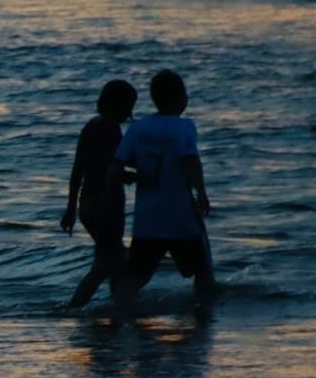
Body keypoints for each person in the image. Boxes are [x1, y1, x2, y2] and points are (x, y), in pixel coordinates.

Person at [114, 69, 214, 303]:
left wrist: (121, 184)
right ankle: (204, 320)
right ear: (181, 98)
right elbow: (191, 160)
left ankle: (116, 310)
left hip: (147, 216)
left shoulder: (137, 128)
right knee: (203, 270)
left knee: (137, 275)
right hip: (181, 215)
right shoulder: (184, 127)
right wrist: (202, 193)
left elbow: (118, 162)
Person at [60, 78, 138, 310]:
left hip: (88, 203)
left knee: (117, 261)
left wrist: (71, 208)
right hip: (106, 204)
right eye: (129, 106)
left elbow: (80, 169)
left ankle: (118, 308)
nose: (130, 112)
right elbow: (113, 165)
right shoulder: (111, 128)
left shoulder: (91, 126)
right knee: (106, 263)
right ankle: (73, 309)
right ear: (119, 105)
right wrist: (135, 172)